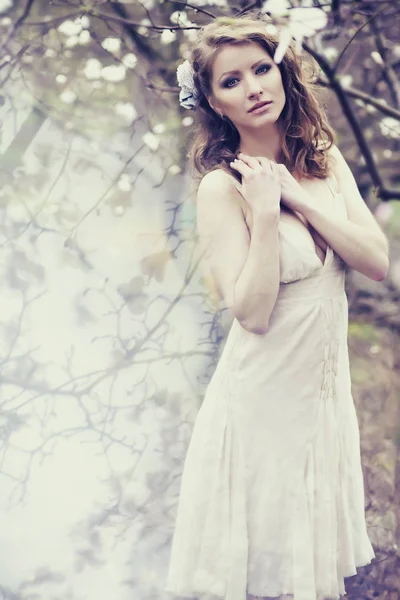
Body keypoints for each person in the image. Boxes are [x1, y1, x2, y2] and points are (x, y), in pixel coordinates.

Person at [165, 12, 389, 600]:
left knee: (306, 568)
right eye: (231, 81)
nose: (254, 87)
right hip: (260, 400)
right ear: (214, 102)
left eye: (262, 69)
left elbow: (374, 260)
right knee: (257, 569)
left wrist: (297, 198)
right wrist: (265, 213)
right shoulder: (221, 188)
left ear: (283, 73)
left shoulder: (325, 159)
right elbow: (252, 311)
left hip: (319, 396)